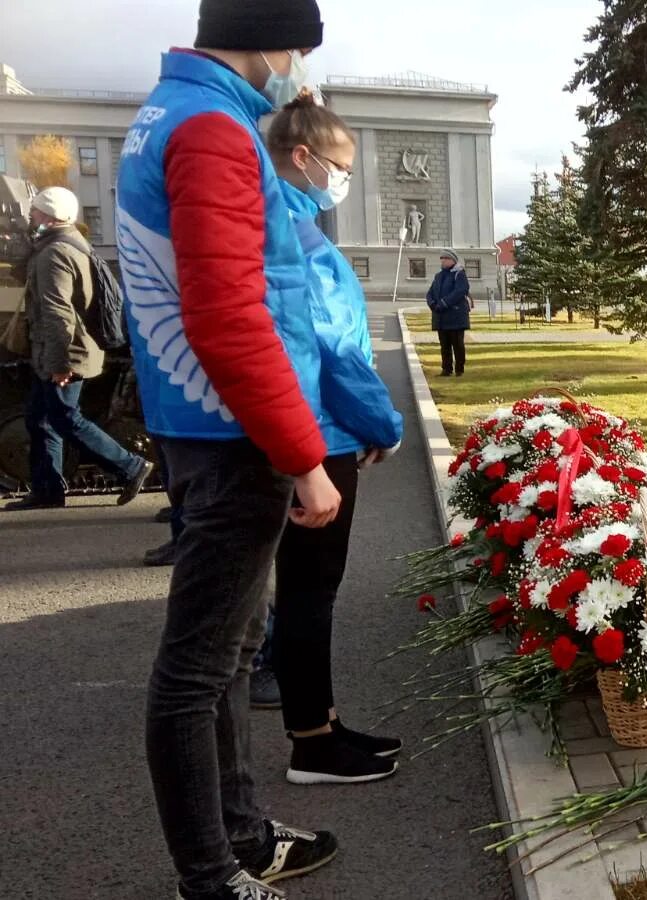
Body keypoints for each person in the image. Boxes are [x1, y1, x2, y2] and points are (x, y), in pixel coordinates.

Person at [117, 2, 343, 897]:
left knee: (231, 647)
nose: (293, 67)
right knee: (199, 668)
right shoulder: (211, 128)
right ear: (262, 35)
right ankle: (212, 875)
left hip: (202, 423)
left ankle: (242, 835)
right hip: (232, 431)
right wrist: (303, 455)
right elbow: (230, 313)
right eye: (292, 48)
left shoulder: (172, 113)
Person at [267, 92, 406, 783]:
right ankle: (311, 745)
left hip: (308, 430)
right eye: (338, 166)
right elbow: (333, 351)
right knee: (309, 590)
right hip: (316, 438)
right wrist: (384, 425)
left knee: (303, 589)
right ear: (302, 158)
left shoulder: (287, 227)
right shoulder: (298, 241)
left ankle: (319, 723)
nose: (341, 181)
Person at [4, 187, 155, 511]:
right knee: (39, 418)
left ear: (50, 216)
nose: (31, 217)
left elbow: (57, 312)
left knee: (65, 418)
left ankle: (130, 466)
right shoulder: (65, 244)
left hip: (64, 351)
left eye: (36, 213)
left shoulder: (53, 253)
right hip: (62, 349)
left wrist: (60, 363)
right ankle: (47, 490)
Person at [428, 249, 471, 376]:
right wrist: (432, 303)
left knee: (457, 345)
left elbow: (460, 291)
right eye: (441, 258)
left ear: (452, 260)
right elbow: (430, 292)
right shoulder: (439, 276)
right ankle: (446, 369)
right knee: (444, 345)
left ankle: (459, 369)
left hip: (455, 316)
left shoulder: (459, 274)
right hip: (441, 317)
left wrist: (443, 303)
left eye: (445, 258)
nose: (443, 260)